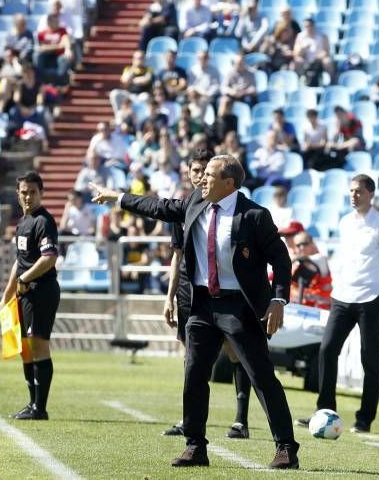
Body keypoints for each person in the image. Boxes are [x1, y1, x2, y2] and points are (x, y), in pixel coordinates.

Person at [91, 155, 300, 469]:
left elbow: (282, 260)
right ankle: (195, 446)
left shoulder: (254, 215)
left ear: (229, 183)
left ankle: (286, 448)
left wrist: (278, 300)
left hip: (239, 307)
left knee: (261, 376)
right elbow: (158, 207)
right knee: (194, 374)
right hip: (202, 305)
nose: (202, 180)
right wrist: (117, 198)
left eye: (210, 175)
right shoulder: (195, 203)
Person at [161, 149, 253, 440]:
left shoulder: (230, 207)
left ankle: (241, 419)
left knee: (235, 352)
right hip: (190, 290)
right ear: (188, 173)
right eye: (195, 171)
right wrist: (170, 295)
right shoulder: (184, 208)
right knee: (191, 355)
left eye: (205, 171)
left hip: (221, 290)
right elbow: (177, 255)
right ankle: (190, 421)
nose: (199, 176)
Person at [297, 174, 379, 433]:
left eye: (359, 191)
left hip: (370, 297)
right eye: (351, 191)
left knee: (370, 359)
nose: (354, 195)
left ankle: (364, 419)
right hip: (342, 296)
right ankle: (324, 411)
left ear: (371, 194)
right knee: (327, 350)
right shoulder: (344, 222)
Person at [0, 171, 60, 421]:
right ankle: (32, 403)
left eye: (33, 192)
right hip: (24, 294)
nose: (28, 196)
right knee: (25, 348)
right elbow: (19, 263)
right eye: (24, 192)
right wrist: (6, 295)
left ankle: (40, 408)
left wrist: (25, 280)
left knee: (39, 345)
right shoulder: (23, 223)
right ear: (18, 194)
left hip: (41, 291)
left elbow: (49, 258)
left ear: (41, 193)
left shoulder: (44, 221)